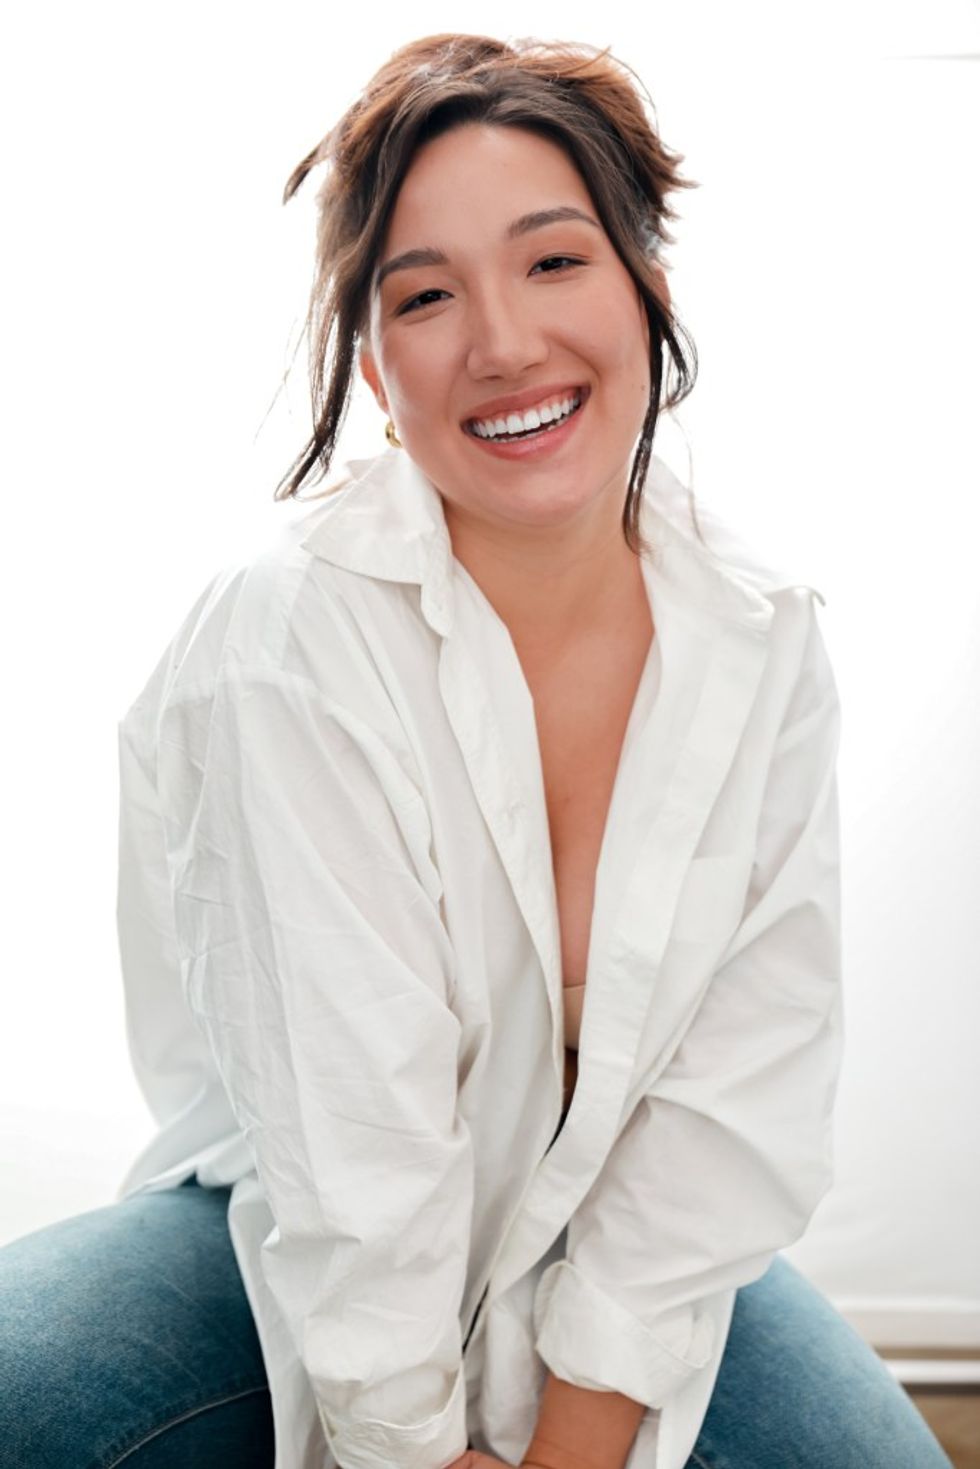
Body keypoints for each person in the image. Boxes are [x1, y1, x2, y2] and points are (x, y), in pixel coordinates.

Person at [0, 32, 952, 1469]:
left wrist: (575, 1441)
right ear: (376, 374)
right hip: (295, 1219)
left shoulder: (760, 633)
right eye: (427, 295)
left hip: (623, 1238)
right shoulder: (289, 642)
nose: (503, 344)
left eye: (554, 260)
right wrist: (413, 1449)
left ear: (648, 288)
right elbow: (349, 1152)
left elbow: (741, 1088)